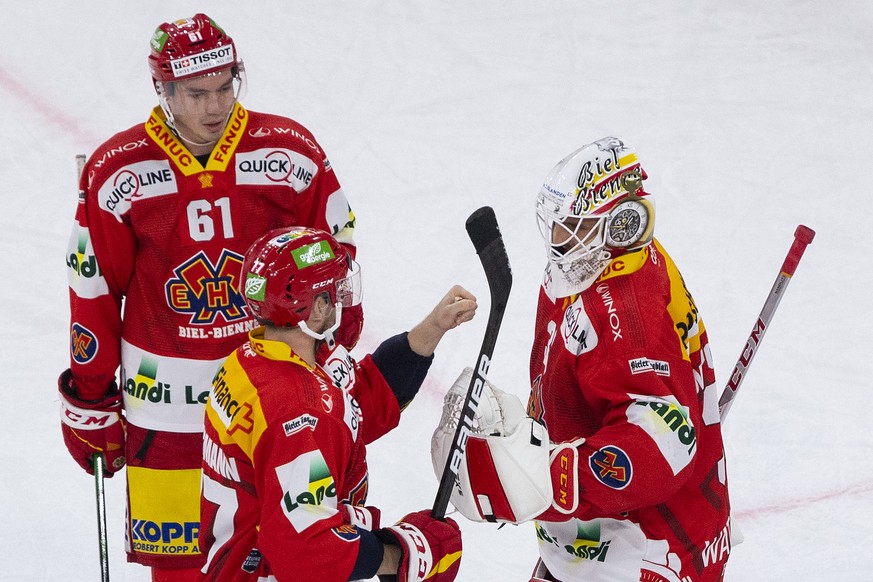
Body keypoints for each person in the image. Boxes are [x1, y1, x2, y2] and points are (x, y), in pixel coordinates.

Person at [59, 14, 361, 581]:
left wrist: (334, 355)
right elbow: (92, 291)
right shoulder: (118, 172)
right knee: (181, 569)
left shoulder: (289, 154)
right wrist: (92, 397)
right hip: (164, 415)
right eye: (197, 93)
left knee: (289, 553)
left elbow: (336, 263)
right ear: (164, 90)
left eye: (225, 86)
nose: (214, 106)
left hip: (271, 409)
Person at [432, 137, 732, 581]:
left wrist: (544, 479)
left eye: (573, 225)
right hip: (592, 542)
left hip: (645, 552)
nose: (557, 239)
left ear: (621, 224)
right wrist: (524, 439)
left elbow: (663, 439)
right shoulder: (591, 265)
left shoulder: (628, 315)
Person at [198, 226, 472, 581]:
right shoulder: (298, 412)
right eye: (334, 292)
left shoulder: (257, 359)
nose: (343, 298)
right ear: (314, 310)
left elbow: (359, 403)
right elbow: (307, 551)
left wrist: (433, 327)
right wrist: (403, 554)